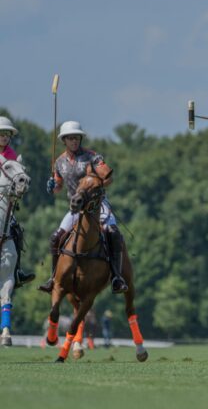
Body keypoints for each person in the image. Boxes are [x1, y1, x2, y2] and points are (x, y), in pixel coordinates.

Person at [38, 120, 128, 294]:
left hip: (97, 204)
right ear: (64, 140)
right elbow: (58, 188)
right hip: (76, 207)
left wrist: (98, 182)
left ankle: (116, 277)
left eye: (77, 138)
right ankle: (53, 278)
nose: (74, 141)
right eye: (71, 138)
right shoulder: (59, 162)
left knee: (112, 231)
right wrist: (51, 186)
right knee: (56, 237)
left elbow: (109, 178)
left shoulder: (92, 157)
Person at [0, 116, 35, 288]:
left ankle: (17, 271)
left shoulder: (11, 155)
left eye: (7, 134)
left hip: (4, 204)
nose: (4, 137)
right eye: (1, 134)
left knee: (16, 230)